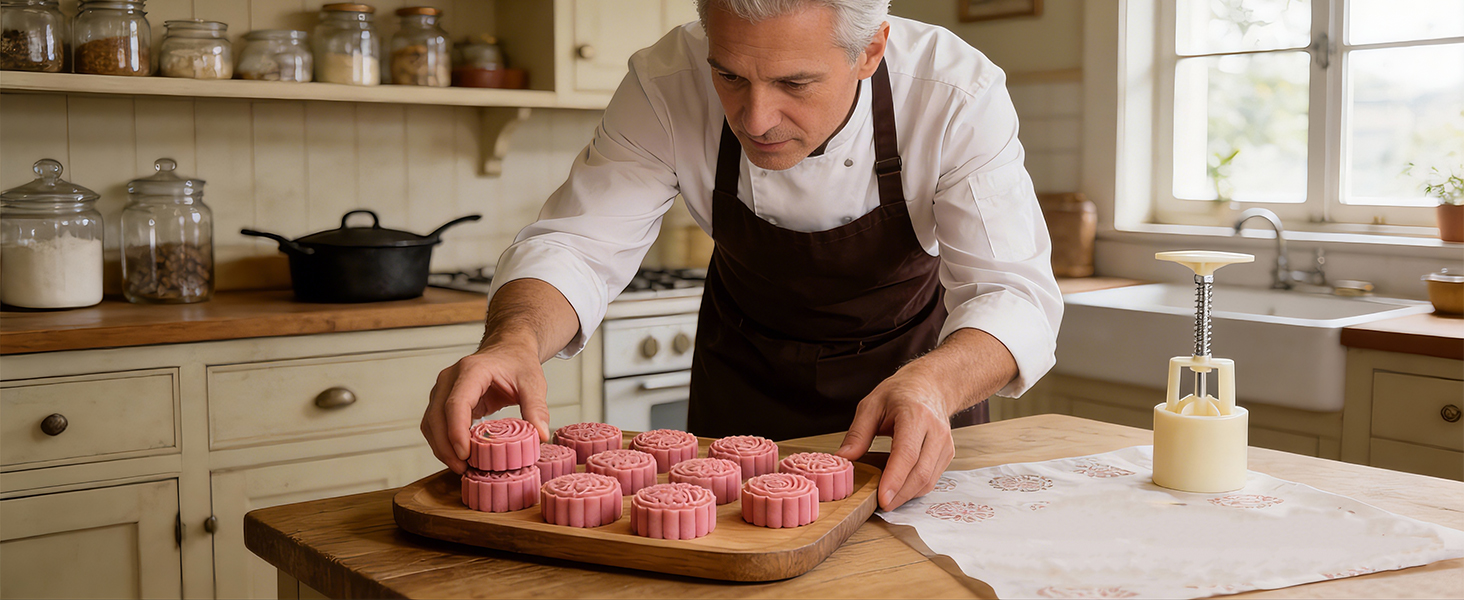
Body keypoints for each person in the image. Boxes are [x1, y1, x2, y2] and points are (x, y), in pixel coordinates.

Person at [421, 0, 1062, 511]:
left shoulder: (954, 91)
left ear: (870, 51)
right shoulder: (664, 80)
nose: (756, 119)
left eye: (795, 83)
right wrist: (513, 340)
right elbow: (579, 244)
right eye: (728, 75)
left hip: (911, 379)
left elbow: (1015, 293)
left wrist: (934, 383)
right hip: (745, 371)